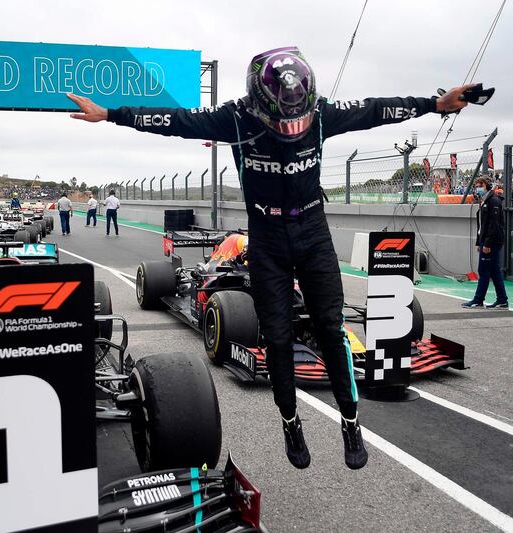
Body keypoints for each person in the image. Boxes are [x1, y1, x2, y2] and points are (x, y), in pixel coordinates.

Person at [68, 46, 477, 470]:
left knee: (331, 330)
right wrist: (111, 113)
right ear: (260, 102)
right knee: (277, 338)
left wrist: (435, 104)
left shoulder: (322, 114)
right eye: (283, 117)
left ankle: (350, 423)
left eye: (298, 115)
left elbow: (377, 109)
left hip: (313, 232)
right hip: (266, 236)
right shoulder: (234, 117)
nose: (292, 124)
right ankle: (290, 421)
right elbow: (175, 121)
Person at [463, 176, 507, 309]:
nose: (477, 188)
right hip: (486, 240)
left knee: (483, 270)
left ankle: (478, 300)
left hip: (492, 241)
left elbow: (494, 225)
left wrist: (487, 243)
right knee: (494, 271)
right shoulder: (484, 200)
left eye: (479, 185)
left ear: (487, 185)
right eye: (476, 186)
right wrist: (479, 242)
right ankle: (502, 300)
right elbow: (482, 224)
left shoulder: (493, 201)